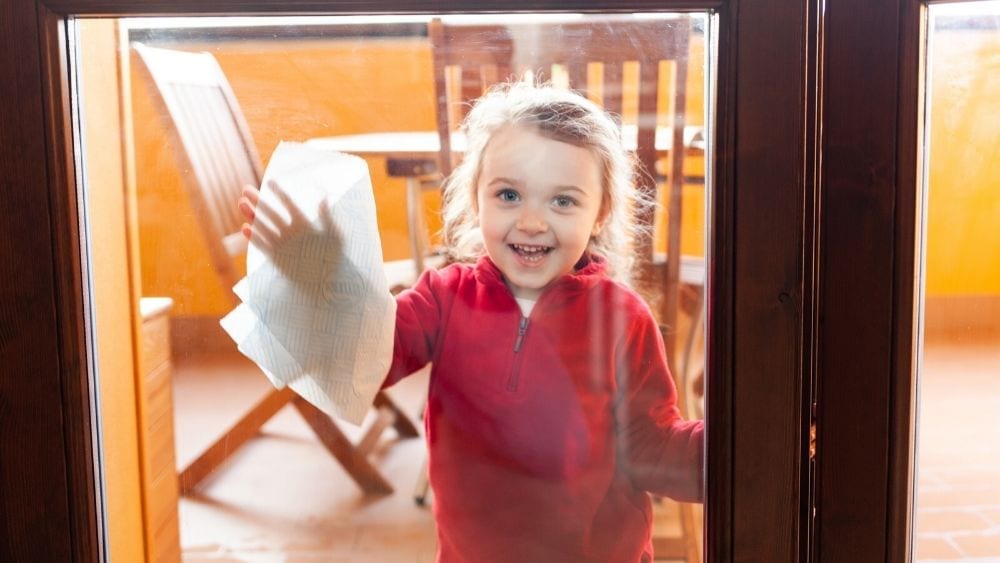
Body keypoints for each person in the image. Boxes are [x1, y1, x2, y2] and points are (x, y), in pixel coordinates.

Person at [238, 82, 704, 563]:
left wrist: (741, 446)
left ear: (601, 212)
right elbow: (368, 355)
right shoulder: (444, 297)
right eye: (508, 195)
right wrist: (322, 281)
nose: (531, 222)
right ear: (475, 198)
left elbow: (652, 448)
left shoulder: (622, 318)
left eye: (562, 201)